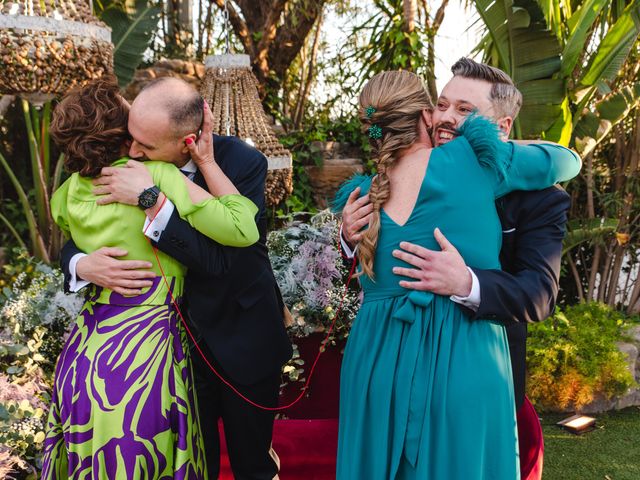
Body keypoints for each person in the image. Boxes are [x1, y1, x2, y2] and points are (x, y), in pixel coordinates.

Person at [332, 70, 580, 479]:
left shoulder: (364, 193)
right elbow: (567, 159)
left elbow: (537, 293)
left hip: (372, 358)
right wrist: (347, 238)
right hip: (460, 352)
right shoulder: (476, 161)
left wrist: (468, 283)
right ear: (426, 114)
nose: (448, 117)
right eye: (442, 105)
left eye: (464, 110)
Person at [59, 77, 293, 480]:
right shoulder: (130, 166)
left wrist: (153, 199)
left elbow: (225, 260)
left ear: (187, 140)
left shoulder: (242, 162)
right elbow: (78, 229)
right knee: (190, 462)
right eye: (130, 137)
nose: (131, 151)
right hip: (172, 353)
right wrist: (81, 263)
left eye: (145, 147)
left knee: (251, 464)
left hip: (241, 338)